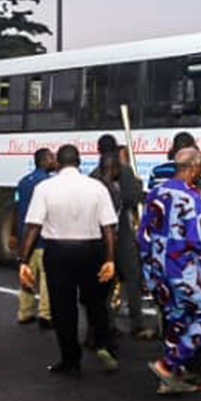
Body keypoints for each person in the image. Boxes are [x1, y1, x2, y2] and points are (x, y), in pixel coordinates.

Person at [137, 147, 201, 393]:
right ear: (194, 168)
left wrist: (147, 272)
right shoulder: (192, 195)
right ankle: (168, 365)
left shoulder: (156, 192)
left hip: (159, 268)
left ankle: (170, 380)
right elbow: (196, 240)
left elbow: (143, 235)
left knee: (176, 319)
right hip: (183, 268)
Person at [19, 144, 120, 376]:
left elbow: (33, 226)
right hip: (91, 250)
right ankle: (104, 344)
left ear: (57, 162)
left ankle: (70, 359)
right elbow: (108, 228)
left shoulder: (45, 188)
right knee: (96, 303)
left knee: (63, 308)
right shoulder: (97, 187)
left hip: (58, 252)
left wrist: (23, 261)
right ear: (79, 161)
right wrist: (110, 259)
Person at [91, 136, 152, 340]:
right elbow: (134, 198)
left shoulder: (93, 176)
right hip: (123, 234)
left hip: (100, 237)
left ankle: (105, 325)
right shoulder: (124, 171)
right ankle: (137, 324)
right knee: (132, 279)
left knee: (104, 284)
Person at [15, 148, 56, 327]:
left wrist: (15, 235)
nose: (54, 161)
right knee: (47, 279)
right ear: (44, 160)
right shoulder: (47, 184)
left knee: (27, 275)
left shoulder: (23, 182)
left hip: (25, 238)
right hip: (42, 238)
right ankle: (45, 314)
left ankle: (24, 312)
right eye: (52, 158)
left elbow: (18, 210)